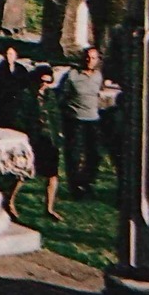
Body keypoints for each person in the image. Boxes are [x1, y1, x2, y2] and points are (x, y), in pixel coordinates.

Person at [0, 63, 63, 222]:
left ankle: (49, 208)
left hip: (49, 139)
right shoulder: (26, 96)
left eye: (48, 82)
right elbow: (19, 118)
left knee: (52, 176)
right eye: (42, 81)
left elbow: (56, 116)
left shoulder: (51, 96)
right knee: (23, 173)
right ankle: (10, 201)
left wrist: (59, 134)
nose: (44, 85)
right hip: (33, 139)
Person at [57, 46, 105, 199]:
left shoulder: (98, 76)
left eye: (93, 58)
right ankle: (75, 187)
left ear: (97, 60)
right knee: (74, 155)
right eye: (87, 57)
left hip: (93, 119)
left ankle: (87, 182)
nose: (89, 61)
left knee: (95, 154)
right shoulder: (72, 76)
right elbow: (61, 97)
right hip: (75, 120)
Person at [0, 43, 35, 129]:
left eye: (11, 54)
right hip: (3, 104)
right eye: (7, 54)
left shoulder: (20, 69)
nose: (9, 56)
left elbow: (26, 83)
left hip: (18, 104)